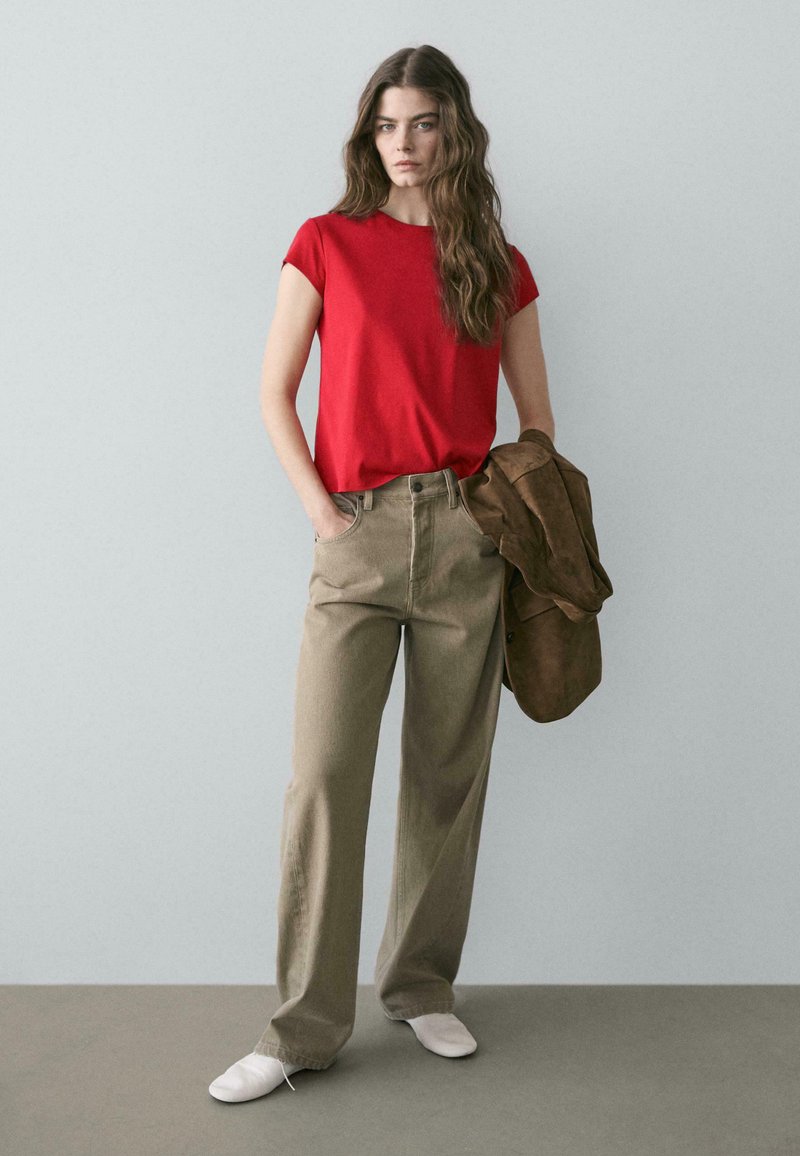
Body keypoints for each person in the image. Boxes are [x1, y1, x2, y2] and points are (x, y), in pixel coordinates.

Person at [209, 43, 554, 1103]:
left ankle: (418, 985)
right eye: (387, 125)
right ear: (369, 134)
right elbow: (273, 392)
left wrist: (500, 527)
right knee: (323, 778)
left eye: (424, 123)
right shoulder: (325, 243)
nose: (403, 143)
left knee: (446, 779)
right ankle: (301, 1029)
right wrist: (322, 514)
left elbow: (537, 425)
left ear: (456, 131)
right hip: (354, 531)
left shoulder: (494, 260)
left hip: (465, 537)